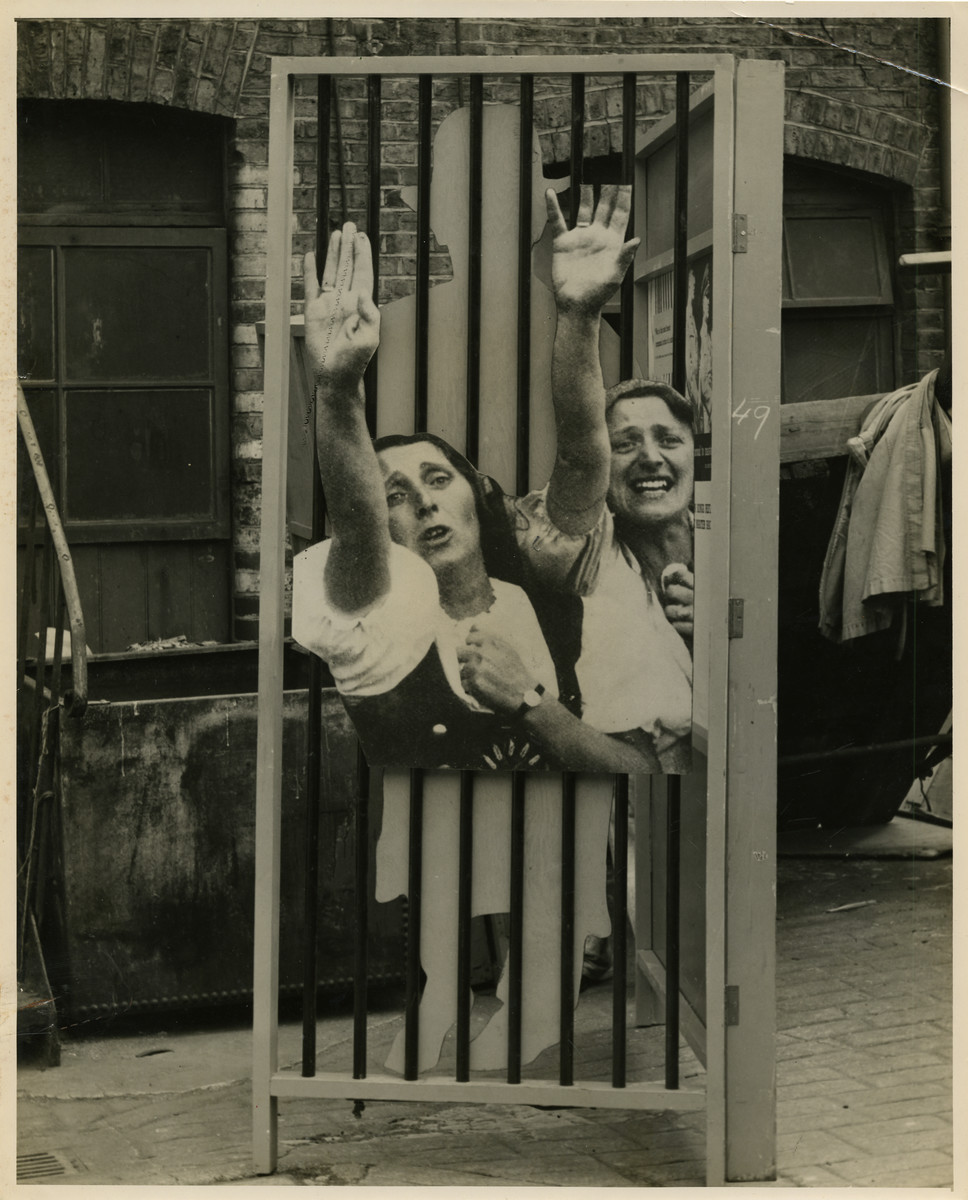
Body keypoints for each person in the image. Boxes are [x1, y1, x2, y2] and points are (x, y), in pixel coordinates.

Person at [292, 222, 659, 775]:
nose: (423, 501)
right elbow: (356, 524)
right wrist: (339, 390)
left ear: (477, 493)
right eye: (395, 494)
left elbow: (643, 772)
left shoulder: (577, 619)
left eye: (439, 479)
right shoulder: (365, 626)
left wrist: (533, 703)